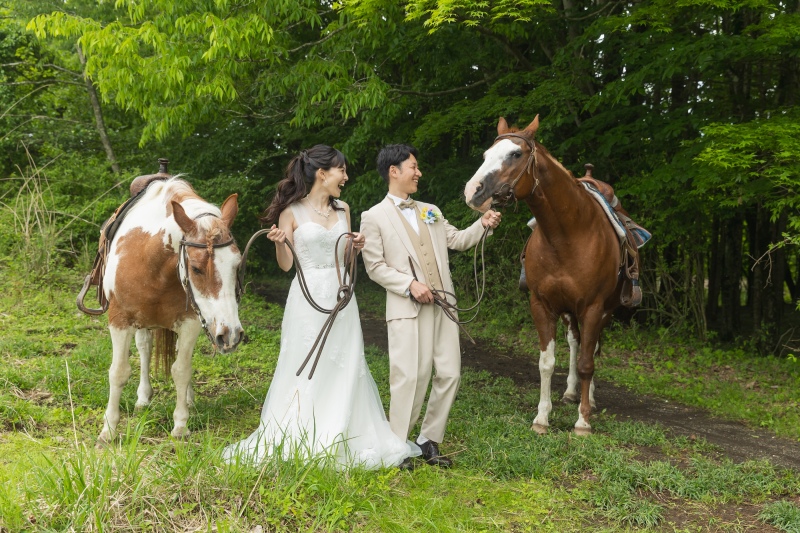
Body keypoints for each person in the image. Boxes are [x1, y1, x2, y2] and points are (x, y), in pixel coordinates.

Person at [223, 145, 420, 469]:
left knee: (347, 364)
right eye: (341, 170)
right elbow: (287, 266)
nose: (346, 176)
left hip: (342, 298)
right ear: (322, 173)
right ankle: (304, 433)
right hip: (307, 297)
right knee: (305, 365)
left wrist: (354, 248)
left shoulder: (343, 209)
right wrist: (281, 244)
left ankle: (350, 433)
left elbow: (345, 260)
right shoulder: (291, 212)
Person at [360, 144, 502, 468]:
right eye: (413, 166)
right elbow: (375, 267)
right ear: (393, 171)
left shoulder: (430, 210)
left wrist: (484, 224)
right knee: (411, 376)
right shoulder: (373, 216)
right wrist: (409, 285)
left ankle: (427, 441)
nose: (418, 172)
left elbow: (458, 240)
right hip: (408, 309)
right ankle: (396, 447)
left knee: (450, 373)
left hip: (444, 306)